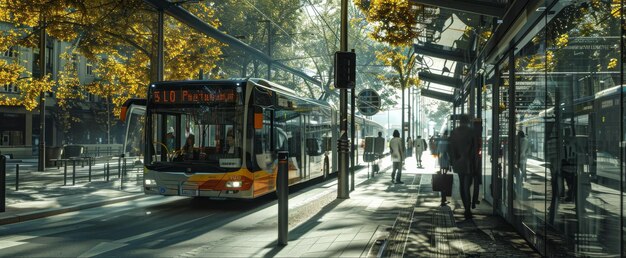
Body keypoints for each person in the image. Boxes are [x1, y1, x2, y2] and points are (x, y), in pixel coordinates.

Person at [448, 115, 478, 219]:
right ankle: (468, 209)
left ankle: (466, 207)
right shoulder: (472, 132)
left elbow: (451, 149)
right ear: (468, 121)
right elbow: (475, 150)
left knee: (462, 184)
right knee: (467, 185)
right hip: (469, 162)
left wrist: (453, 161)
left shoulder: (454, 132)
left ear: (460, 121)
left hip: (458, 162)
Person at [436, 130, 450, 205]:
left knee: (442, 178)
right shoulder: (448, 141)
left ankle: (443, 197)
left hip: (441, 161)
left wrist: (439, 161)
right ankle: (444, 197)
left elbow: (438, 152)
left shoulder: (440, 141)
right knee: (445, 178)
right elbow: (449, 152)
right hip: (446, 161)